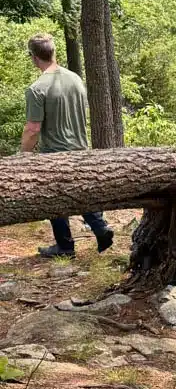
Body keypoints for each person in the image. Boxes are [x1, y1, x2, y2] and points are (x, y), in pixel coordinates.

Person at [20, 33, 113, 260]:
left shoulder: (37, 88)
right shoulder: (75, 79)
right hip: (81, 148)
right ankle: (100, 228)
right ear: (53, 52)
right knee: (81, 192)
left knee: (55, 197)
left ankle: (65, 246)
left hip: (54, 153)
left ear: (34, 57)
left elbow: (32, 128)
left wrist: (23, 156)